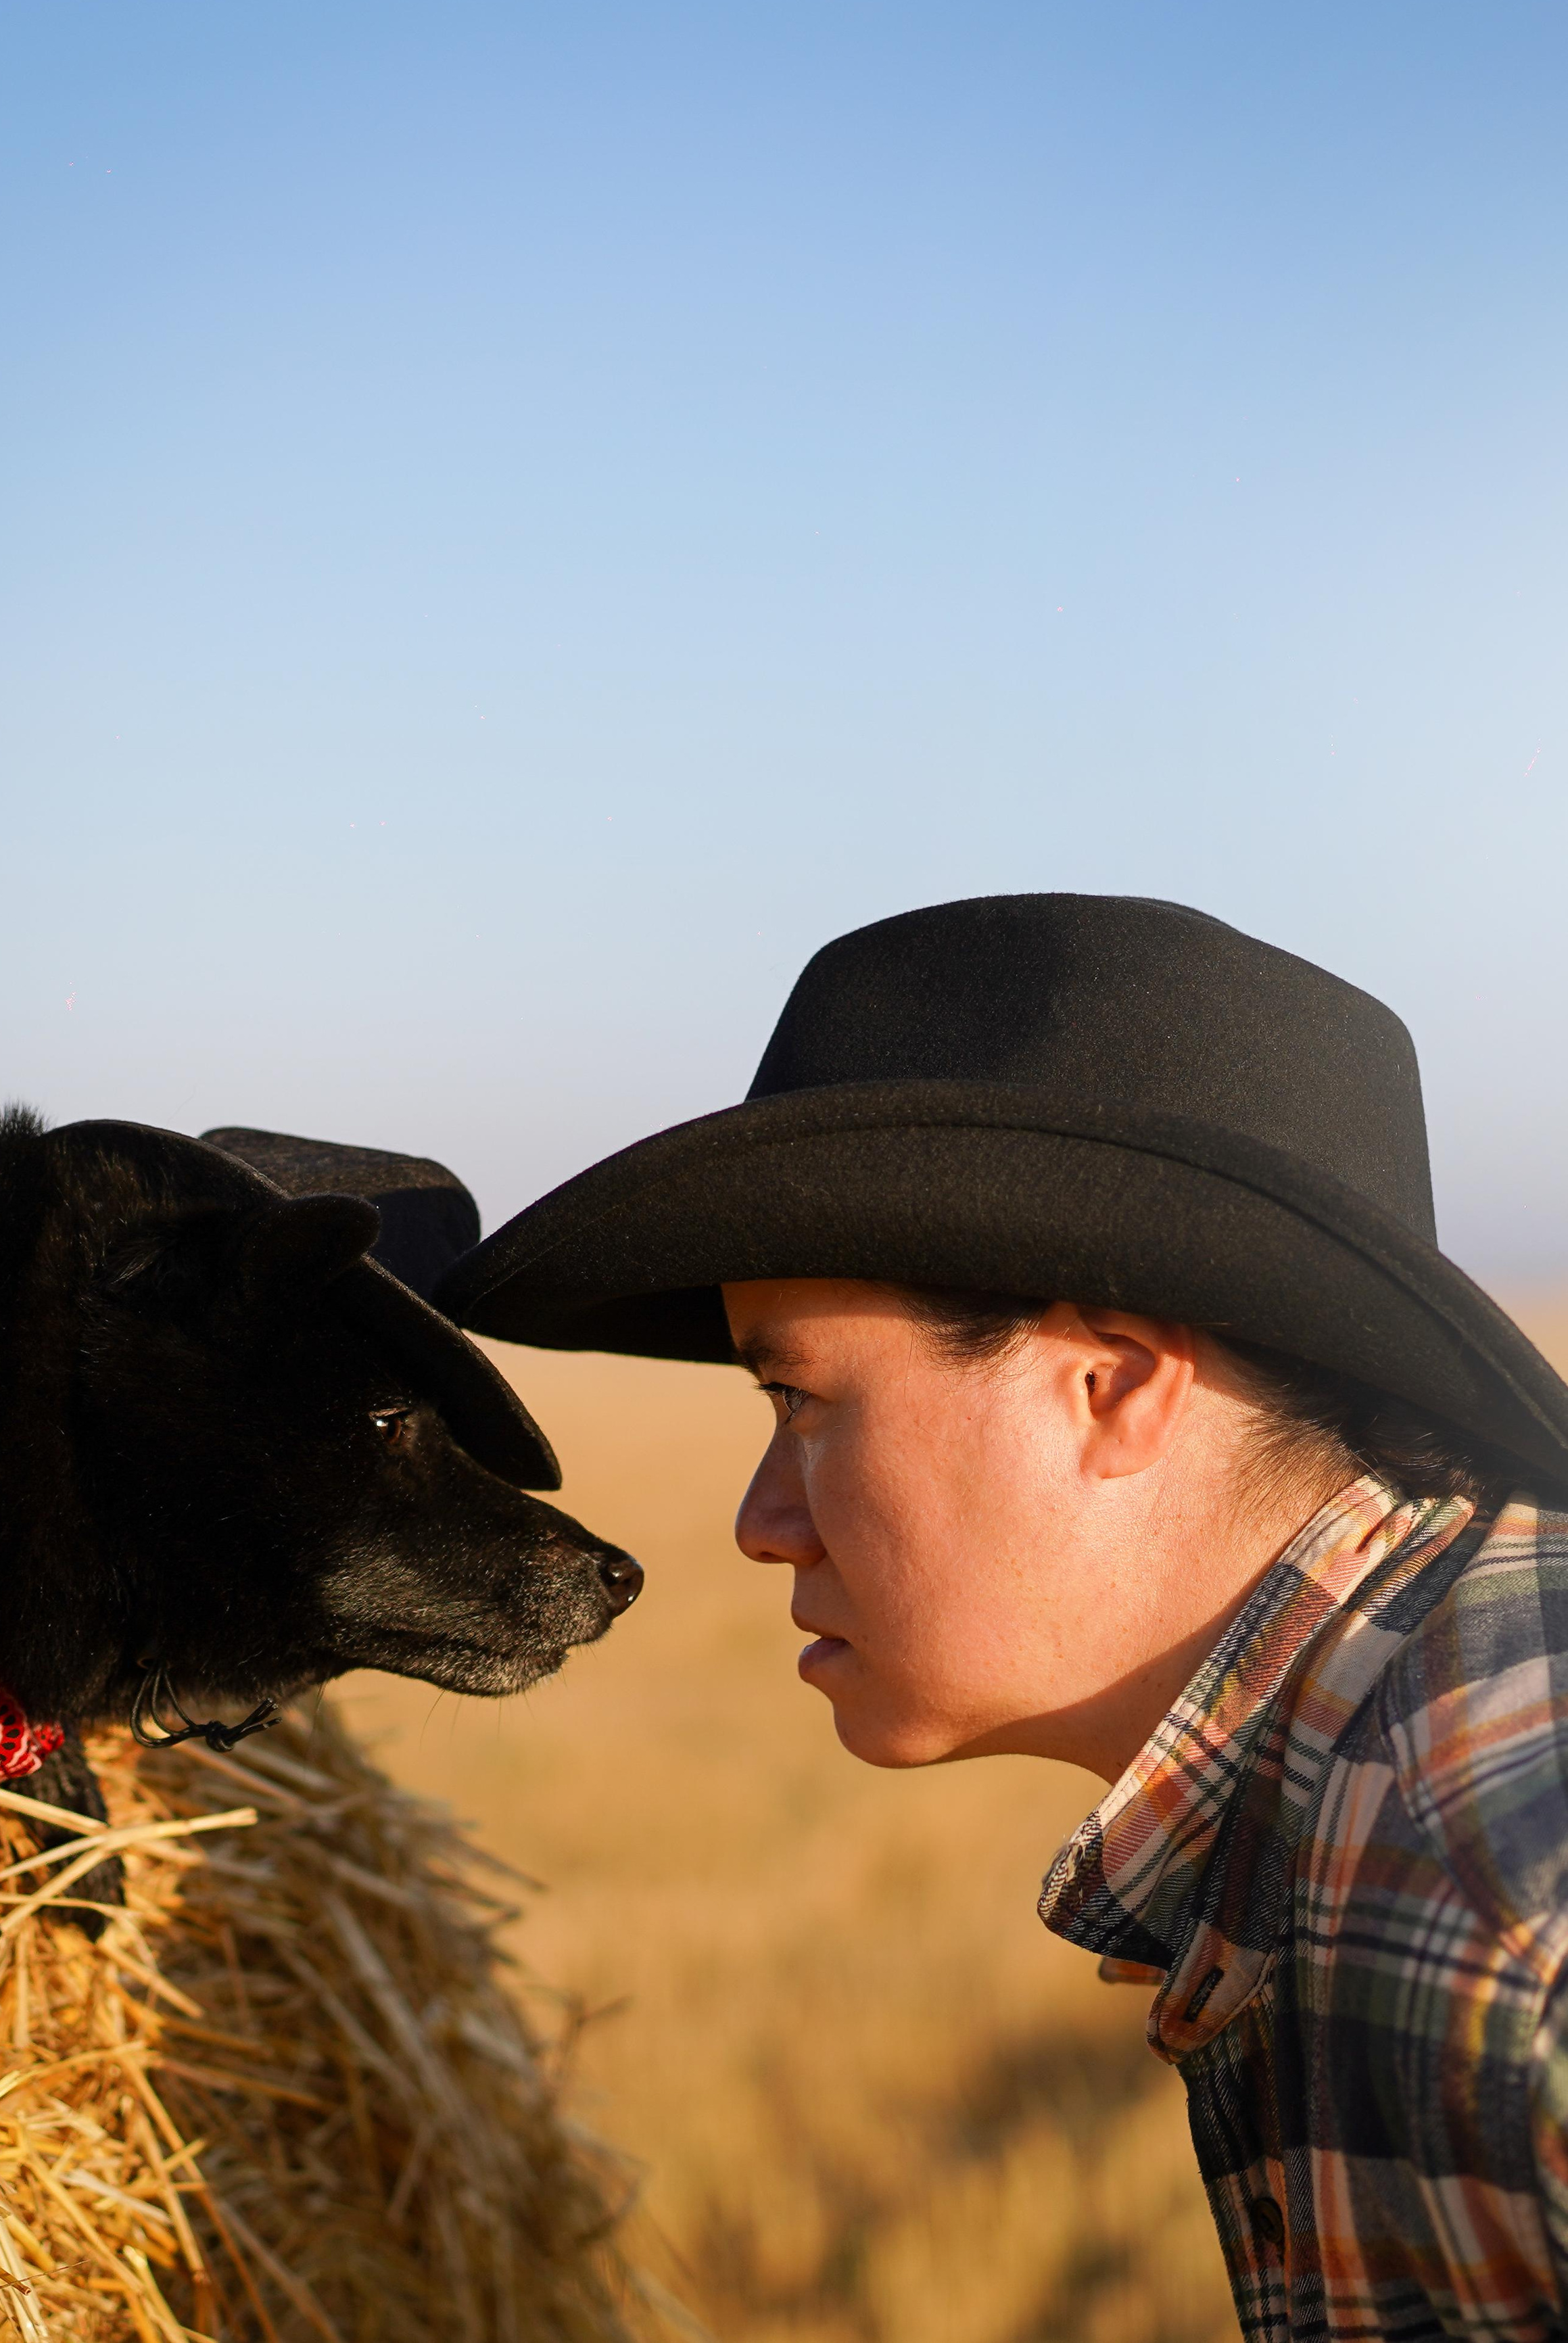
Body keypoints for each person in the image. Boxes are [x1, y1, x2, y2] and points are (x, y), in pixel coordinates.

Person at [437, 893, 1568, 2343]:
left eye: (800, 1400)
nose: (757, 1519)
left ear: (1109, 1385)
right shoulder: (1373, 1794)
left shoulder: (1487, 1906)